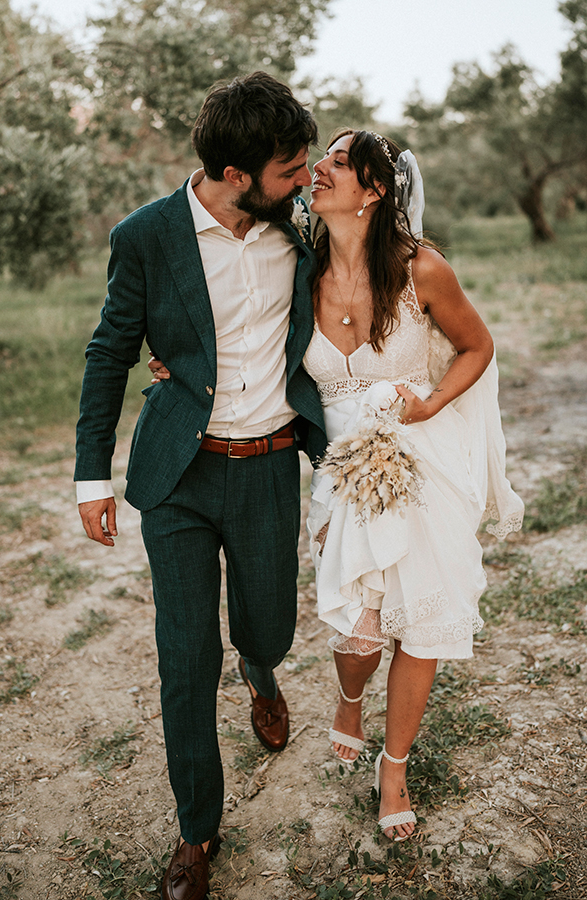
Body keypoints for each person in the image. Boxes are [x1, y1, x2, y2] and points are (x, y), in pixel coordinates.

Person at [74, 72, 326, 900]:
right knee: (184, 658)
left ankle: (261, 669)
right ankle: (196, 832)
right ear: (235, 172)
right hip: (177, 474)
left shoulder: (302, 234)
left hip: (268, 467)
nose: (304, 181)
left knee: (270, 625)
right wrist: (89, 476)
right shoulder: (145, 236)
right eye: (290, 169)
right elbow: (111, 351)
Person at [301, 129, 524, 842]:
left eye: (338, 162)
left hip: (421, 458)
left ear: (374, 191)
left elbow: (477, 346)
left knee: (420, 623)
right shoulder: (297, 271)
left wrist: (428, 403)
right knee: (356, 629)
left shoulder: (421, 268)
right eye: (322, 159)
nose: (319, 169)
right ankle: (348, 698)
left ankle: (393, 767)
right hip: (341, 468)